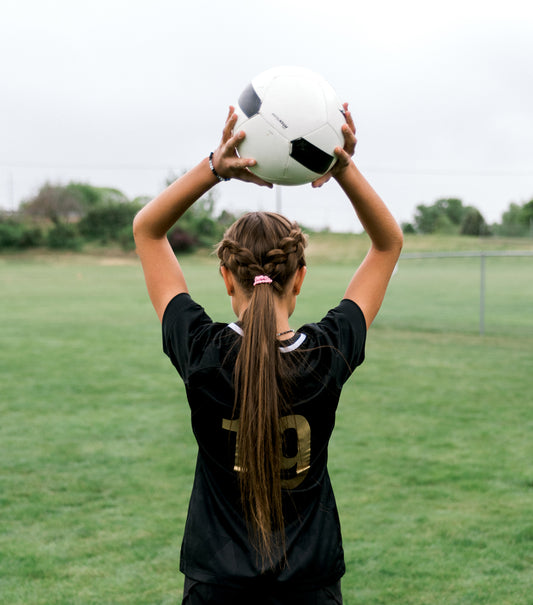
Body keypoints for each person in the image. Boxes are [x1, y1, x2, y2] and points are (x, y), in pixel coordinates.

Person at [133, 104, 403, 604]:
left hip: (217, 584)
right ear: (299, 278)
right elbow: (387, 245)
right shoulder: (325, 354)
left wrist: (216, 167)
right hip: (309, 585)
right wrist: (340, 165)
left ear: (225, 277)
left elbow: (148, 229)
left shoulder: (202, 352)